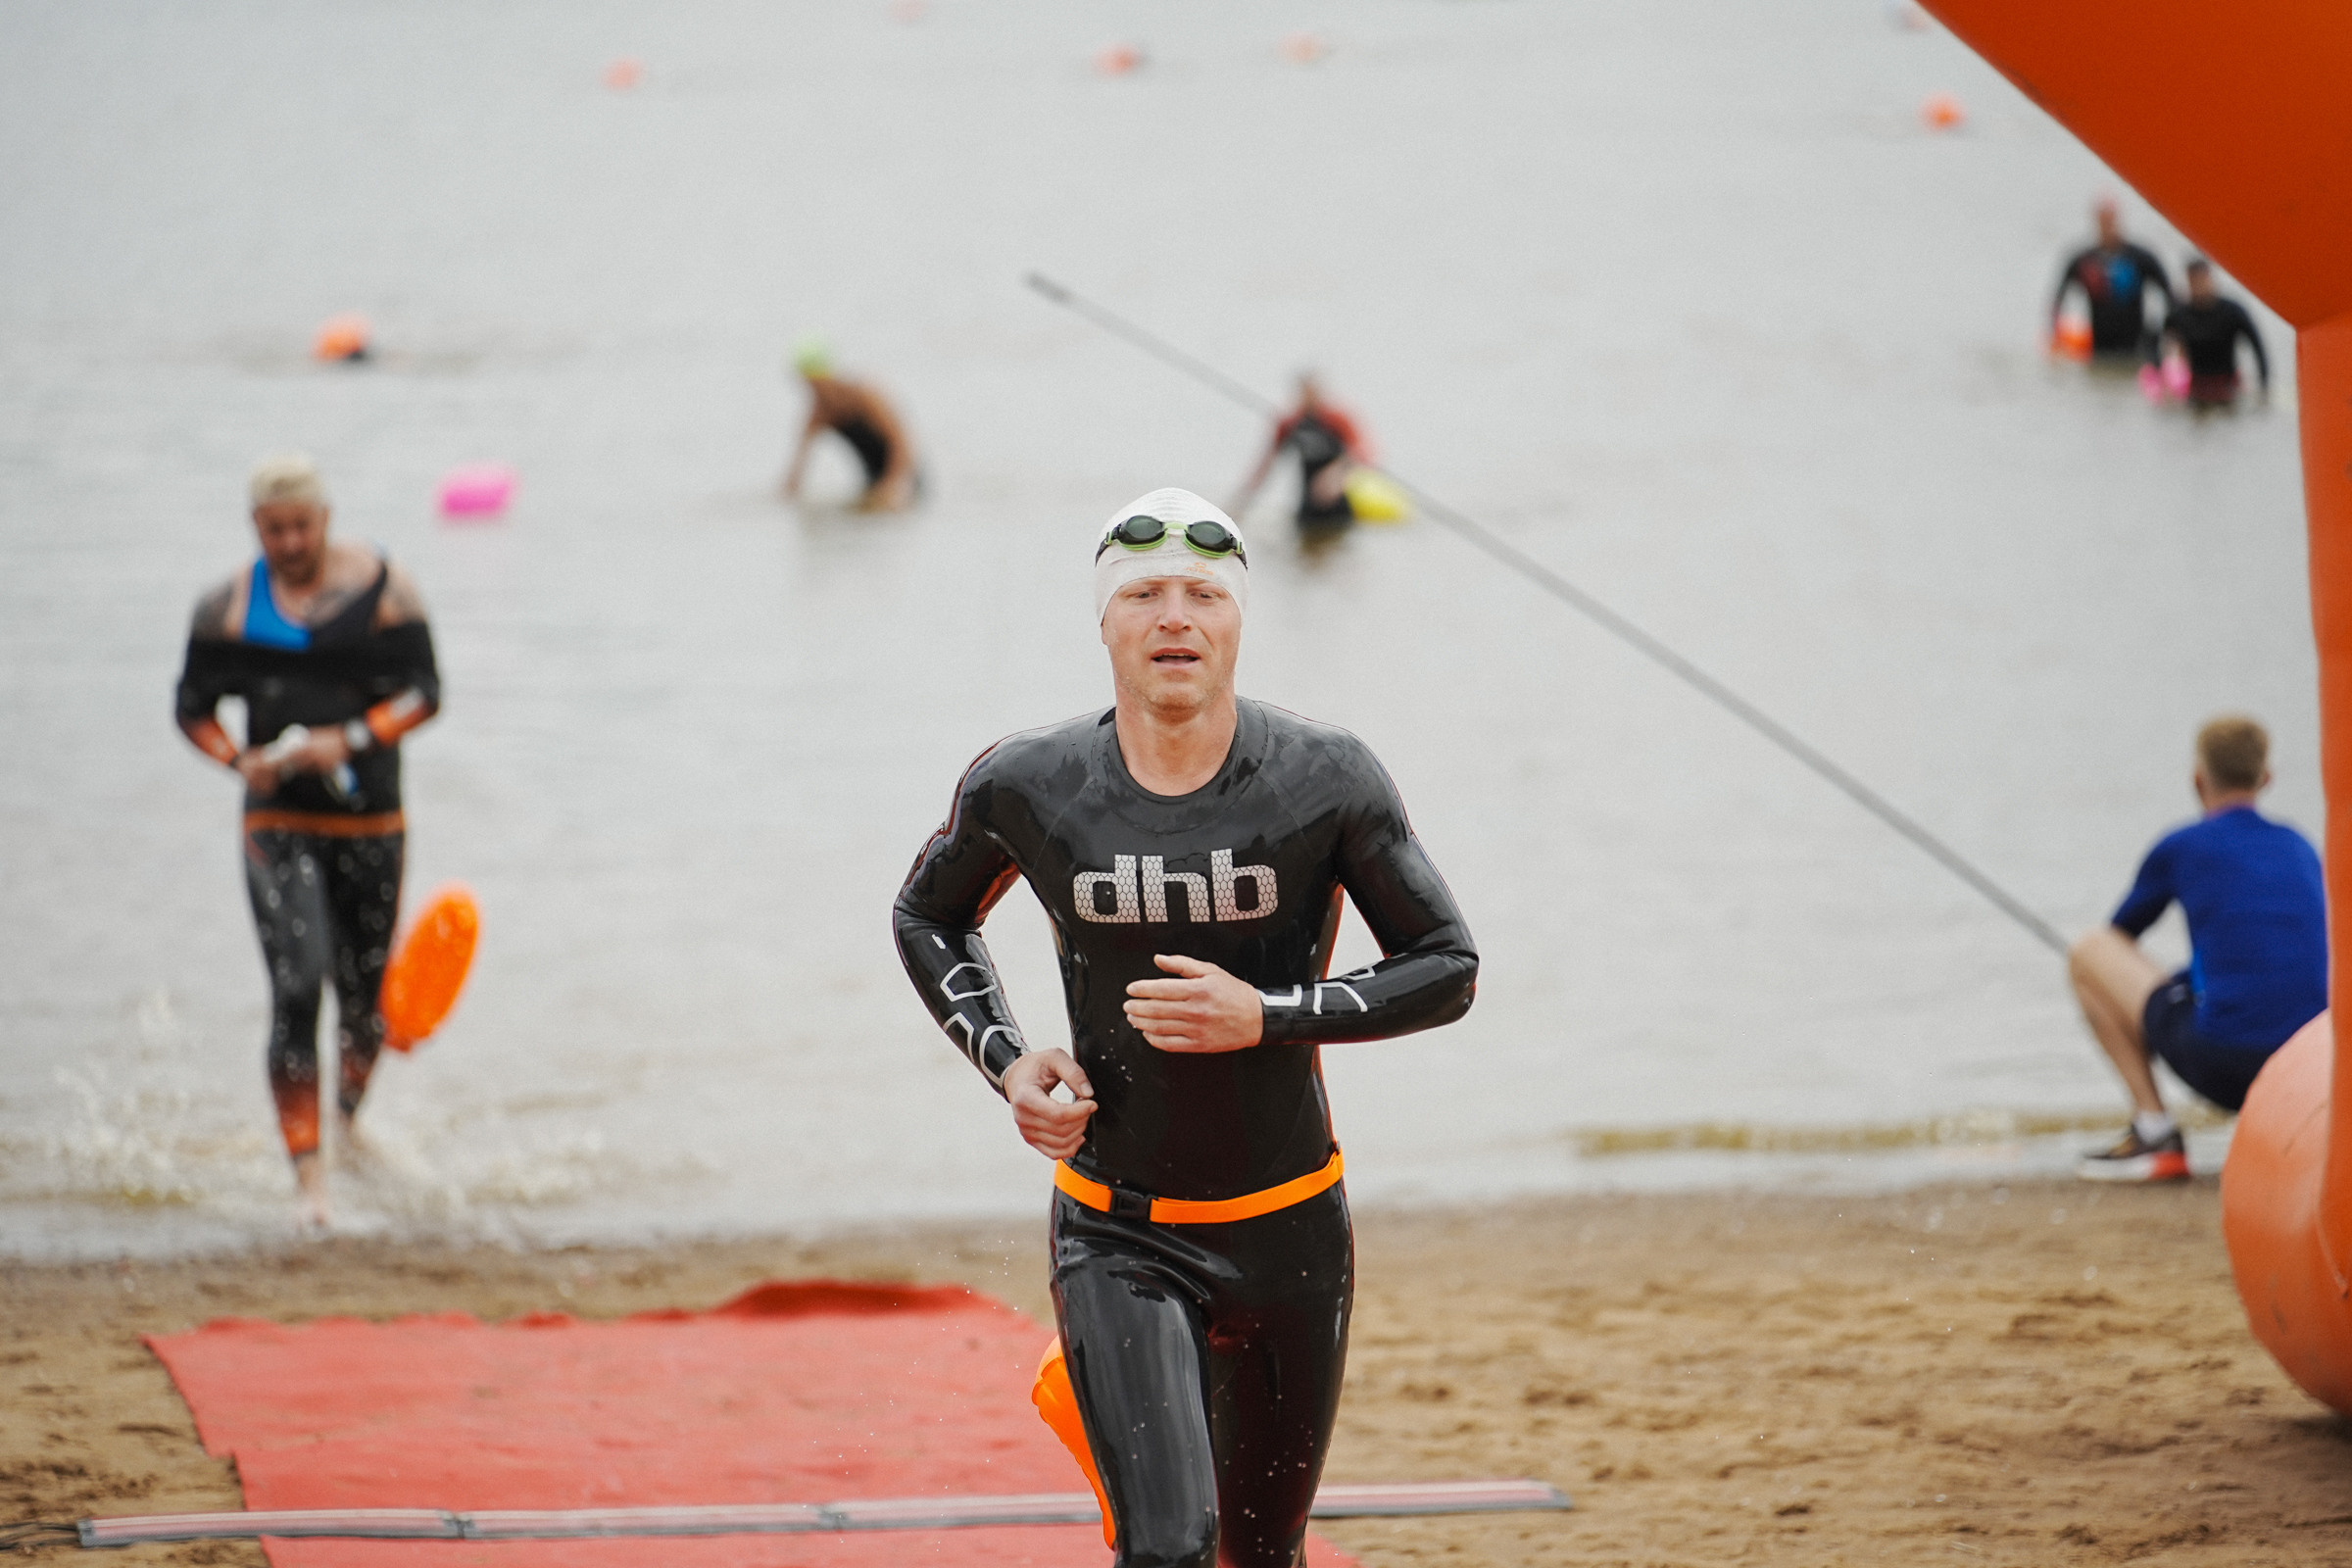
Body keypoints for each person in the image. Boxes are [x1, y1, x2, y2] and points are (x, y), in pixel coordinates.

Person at [892, 488, 1477, 1568]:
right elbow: (927, 913)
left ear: (1238, 620)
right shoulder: (1030, 783)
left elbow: (1447, 966)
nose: (1174, 616)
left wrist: (1269, 1016)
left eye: (1204, 593)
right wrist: (1009, 1061)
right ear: (1103, 623)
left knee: (1261, 1553)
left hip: (1291, 1227)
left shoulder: (1324, 778)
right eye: (1143, 595)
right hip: (1119, 1229)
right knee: (1166, 1546)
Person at [174, 455, 440, 1227]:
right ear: (256, 528)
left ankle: (349, 1123)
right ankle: (310, 1184)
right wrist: (237, 761)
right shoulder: (226, 609)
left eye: (301, 527)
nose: (290, 542)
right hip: (278, 820)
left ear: (325, 519)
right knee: (296, 987)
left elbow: (428, 693)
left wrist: (350, 738)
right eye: (273, 530)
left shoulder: (385, 593)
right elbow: (190, 709)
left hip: (372, 820)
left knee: (365, 1004)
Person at [2068, 716, 2324, 1183]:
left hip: (2226, 1065)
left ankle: (2154, 1132)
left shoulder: (2181, 845)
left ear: (2198, 780)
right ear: (2265, 779)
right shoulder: (2299, 846)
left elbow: (2120, 935)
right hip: (2306, 1073)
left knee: (2089, 953)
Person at [780, 343, 919, 512]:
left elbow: (901, 442)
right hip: (872, 479)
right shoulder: (818, 414)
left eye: (816, 383)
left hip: (905, 474)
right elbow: (796, 472)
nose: (815, 391)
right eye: (808, 384)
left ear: (827, 374)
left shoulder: (865, 398)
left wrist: (894, 485)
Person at [1232, 373, 1369, 538]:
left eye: (1314, 392)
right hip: (1307, 504)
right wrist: (1240, 503)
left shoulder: (1336, 419)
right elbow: (1265, 466)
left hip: (1337, 502)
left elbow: (1363, 451)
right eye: (1305, 393)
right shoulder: (1290, 422)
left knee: (1337, 545)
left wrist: (1334, 474)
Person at [2051, 198, 2175, 361]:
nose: (2108, 226)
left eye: (2111, 220)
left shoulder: (2140, 258)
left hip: (2135, 344)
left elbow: (2169, 294)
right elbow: (2059, 297)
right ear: (2096, 222)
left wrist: (2168, 333)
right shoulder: (2084, 260)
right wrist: (2055, 333)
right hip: (2099, 345)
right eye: (2103, 221)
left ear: (2119, 220)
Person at [2155, 259, 2270, 410]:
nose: (2199, 286)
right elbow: (2157, 344)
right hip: (2196, 387)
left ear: (2210, 279)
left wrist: (2263, 385)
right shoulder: (2179, 316)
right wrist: (2162, 381)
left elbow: (2257, 345)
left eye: (2202, 280)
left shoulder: (2232, 312)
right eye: (2194, 282)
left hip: (2227, 387)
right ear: (2188, 283)